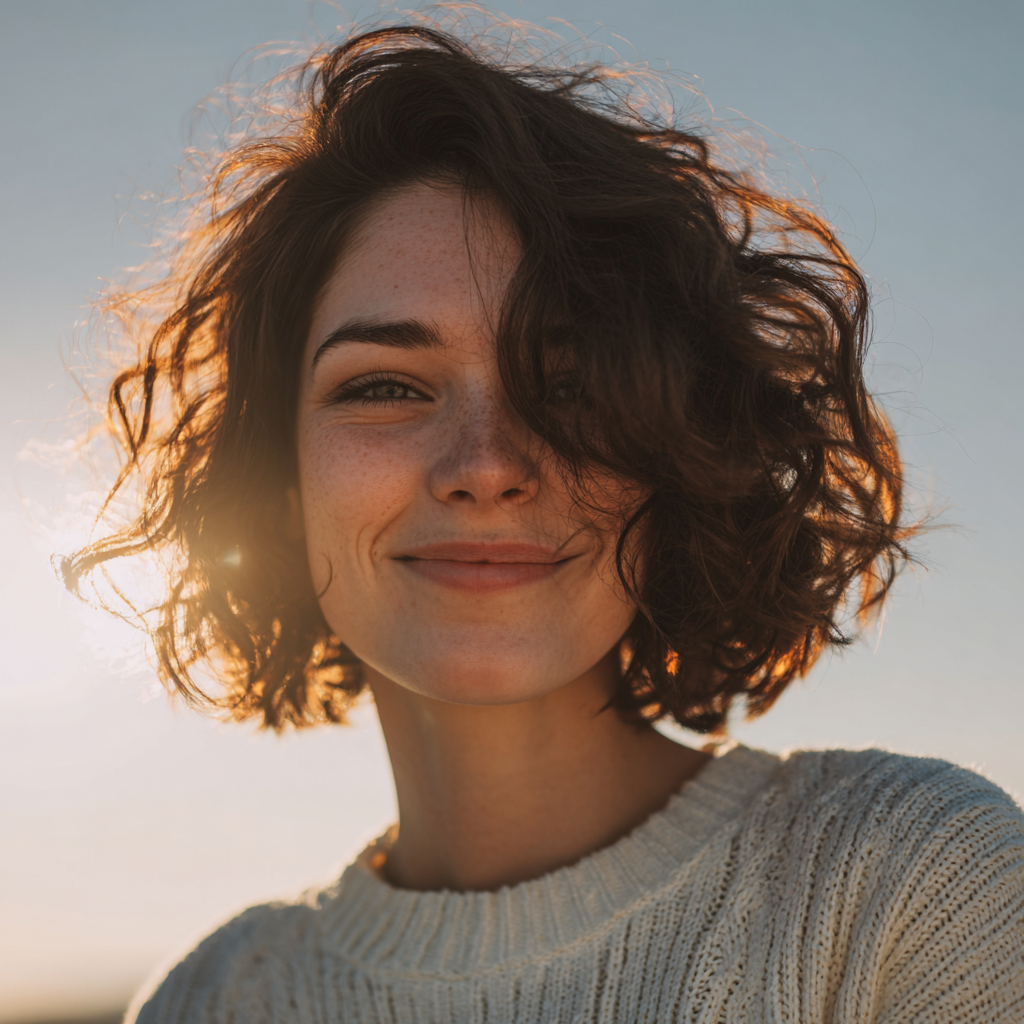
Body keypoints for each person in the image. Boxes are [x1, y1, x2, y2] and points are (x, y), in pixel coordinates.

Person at [63, 18, 1024, 1024]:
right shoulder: (210, 1001)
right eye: (386, 385)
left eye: (567, 386)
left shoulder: (909, 890)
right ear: (280, 481)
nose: (485, 465)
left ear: (674, 456)